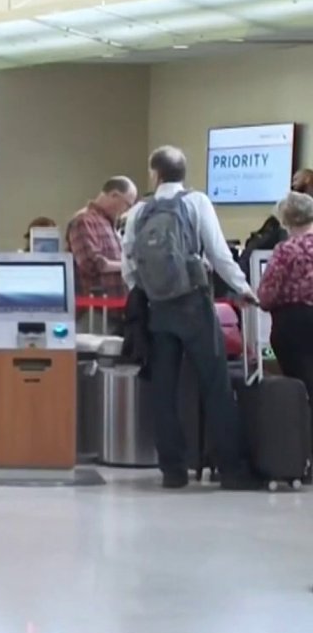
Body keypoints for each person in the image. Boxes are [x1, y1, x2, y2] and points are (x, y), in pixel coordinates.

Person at [122, 145, 262, 491]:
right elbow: (218, 252)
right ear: (183, 173)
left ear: (154, 173)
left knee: (164, 391)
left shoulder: (139, 212)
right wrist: (243, 288)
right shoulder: (196, 203)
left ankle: (173, 471)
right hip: (195, 306)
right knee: (215, 386)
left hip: (158, 310)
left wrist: (151, 291)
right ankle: (232, 469)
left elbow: (129, 264)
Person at [257, 191, 313, 401]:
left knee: (302, 384)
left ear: (286, 220)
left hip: (292, 326)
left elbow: (266, 296)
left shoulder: (286, 250)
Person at [67, 177, 138, 331]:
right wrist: (130, 265)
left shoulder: (108, 224)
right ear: (114, 195)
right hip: (94, 313)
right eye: (127, 204)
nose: (126, 211)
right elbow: (92, 263)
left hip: (114, 311)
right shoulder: (84, 221)